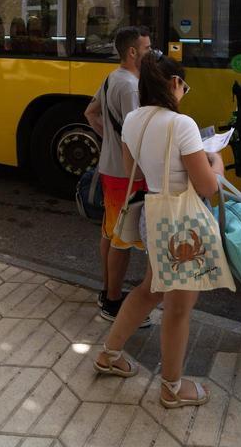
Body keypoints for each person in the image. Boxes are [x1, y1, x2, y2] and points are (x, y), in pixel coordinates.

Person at [93, 51, 225, 408]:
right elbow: (207, 186)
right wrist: (217, 161)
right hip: (182, 222)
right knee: (178, 307)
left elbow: (131, 166)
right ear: (173, 84)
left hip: (154, 213)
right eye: (184, 85)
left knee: (150, 289)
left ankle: (109, 354)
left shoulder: (134, 120)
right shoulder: (181, 124)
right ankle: (172, 387)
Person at [83, 26, 151, 322]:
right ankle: (112, 301)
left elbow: (90, 113)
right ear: (133, 52)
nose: (151, 54)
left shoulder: (113, 78)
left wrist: (108, 139)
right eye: (147, 49)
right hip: (127, 174)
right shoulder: (131, 87)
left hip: (110, 169)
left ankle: (107, 290)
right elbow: (136, 135)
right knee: (121, 239)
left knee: (110, 233)